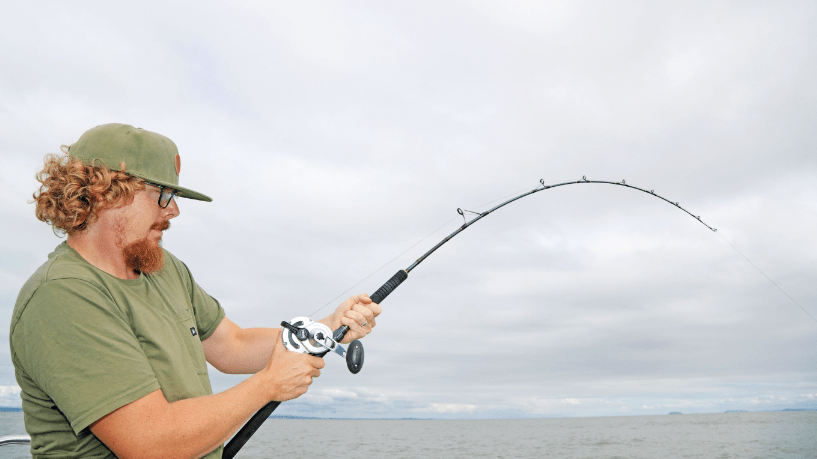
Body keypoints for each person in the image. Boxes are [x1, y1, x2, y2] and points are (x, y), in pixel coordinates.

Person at [10, 123, 382, 458]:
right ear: (105, 192)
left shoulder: (162, 267)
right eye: (163, 195)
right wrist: (269, 384)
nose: (173, 212)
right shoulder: (62, 297)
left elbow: (230, 345)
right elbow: (150, 444)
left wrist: (324, 326)